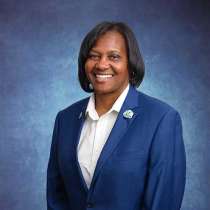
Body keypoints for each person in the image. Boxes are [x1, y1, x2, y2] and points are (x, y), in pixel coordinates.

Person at [47, 21, 186, 210]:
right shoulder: (65, 120)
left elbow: (162, 203)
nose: (102, 64)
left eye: (114, 56)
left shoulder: (161, 119)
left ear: (131, 63)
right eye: (94, 56)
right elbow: (57, 199)